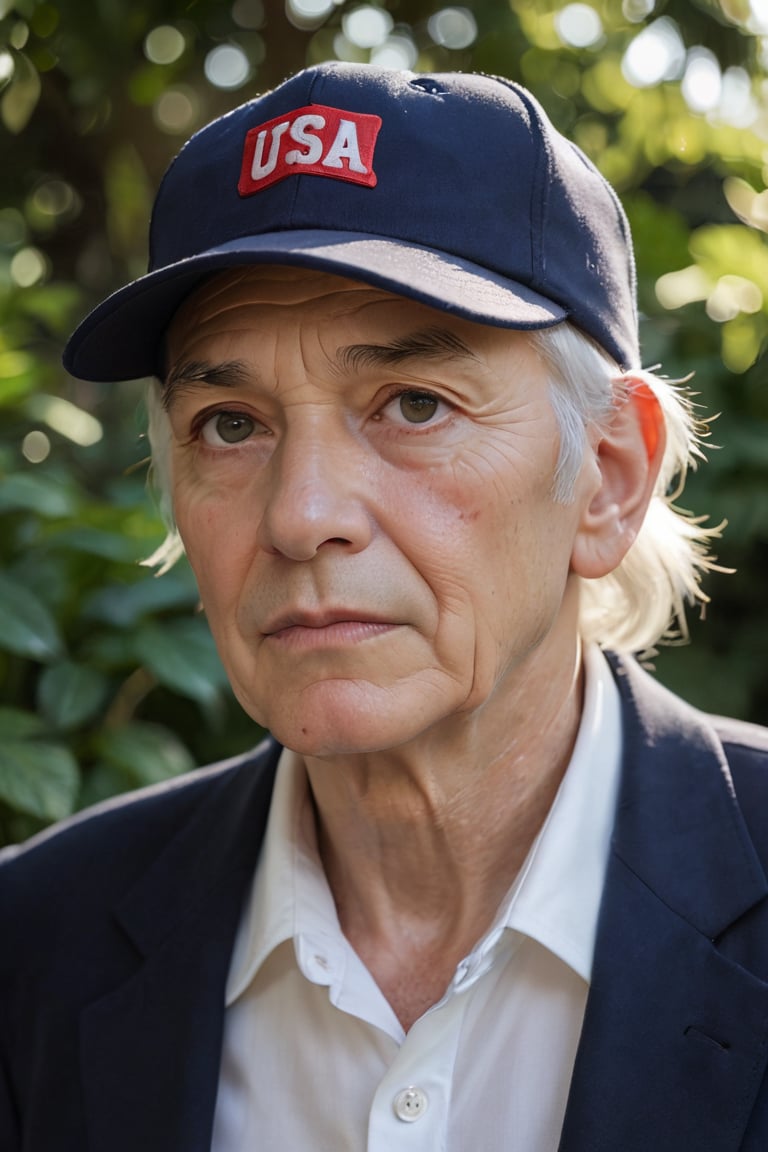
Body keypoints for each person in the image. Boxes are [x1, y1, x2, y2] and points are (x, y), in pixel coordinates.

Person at [2, 62, 768, 1152]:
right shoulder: (30, 948)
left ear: (607, 476)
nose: (302, 515)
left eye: (414, 404)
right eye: (229, 423)